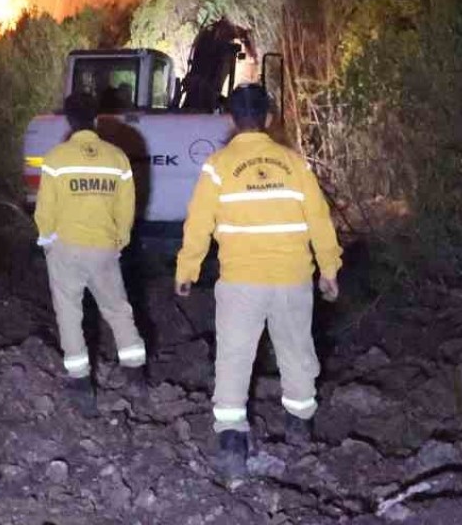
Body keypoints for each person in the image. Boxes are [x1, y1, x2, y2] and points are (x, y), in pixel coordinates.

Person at [174, 84, 342, 478]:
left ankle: (233, 443)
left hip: (241, 283)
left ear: (232, 118)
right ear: (268, 118)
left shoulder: (217, 166)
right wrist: (329, 269)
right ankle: (300, 431)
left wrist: (187, 270)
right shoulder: (294, 164)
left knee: (233, 357)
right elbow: (320, 220)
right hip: (292, 280)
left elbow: (198, 223)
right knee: (297, 354)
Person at [34, 92, 146, 415]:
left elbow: (45, 210)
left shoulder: (56, 158)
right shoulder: (117, 158)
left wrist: (47, 240)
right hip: (105, 247)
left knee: (69, 314)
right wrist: (119, 240)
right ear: (96, 118)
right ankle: (136, 378)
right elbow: (127, 208)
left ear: (68, 121)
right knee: (118, 310)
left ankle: (82, 386)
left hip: (66, 248)